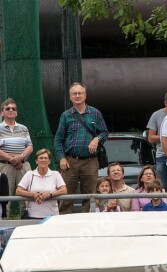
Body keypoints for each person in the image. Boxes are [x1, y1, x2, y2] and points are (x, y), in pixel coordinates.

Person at [54, 82, 109, 214]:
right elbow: (58, 139)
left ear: (85, 95)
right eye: (74, 93)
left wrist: (97, 139)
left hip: (90, 161)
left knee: (90, 195)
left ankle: (86, 223)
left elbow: (105, 133)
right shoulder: (65, 115)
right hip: (70, 160)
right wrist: (61, 158)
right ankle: (64, 223)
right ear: (70, 97)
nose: (77, 96)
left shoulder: (95, 113)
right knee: (66, 195)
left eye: (80, 93)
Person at [0, 98, 34, 217]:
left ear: (16, 112)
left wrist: (21, 157)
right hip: (4, 167)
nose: (11, 110)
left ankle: (27, 227)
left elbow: (30, 146)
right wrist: (11, 160)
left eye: (13, 108)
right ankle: (3, 229)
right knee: (4, 199)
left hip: (23, 166)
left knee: (26, 197)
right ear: (2, 112)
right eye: (7, 108)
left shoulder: (23, 128)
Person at [16, 149, 67, 219]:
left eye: (46, 158)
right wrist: (33, 194)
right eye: (41, 158)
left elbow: (64, 190)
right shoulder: (29, 174)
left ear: (49, 161)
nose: (43, 160)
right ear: (36, 161)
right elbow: (18, 191)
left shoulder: (55, 174)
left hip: (52, 216)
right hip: (32, 216)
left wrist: (49, 195)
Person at [147, 90, 167, 187]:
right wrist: (165, 137)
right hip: (162, 156)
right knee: (161, 186)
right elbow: (150, 138)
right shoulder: (157, 115)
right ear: (165, 103)